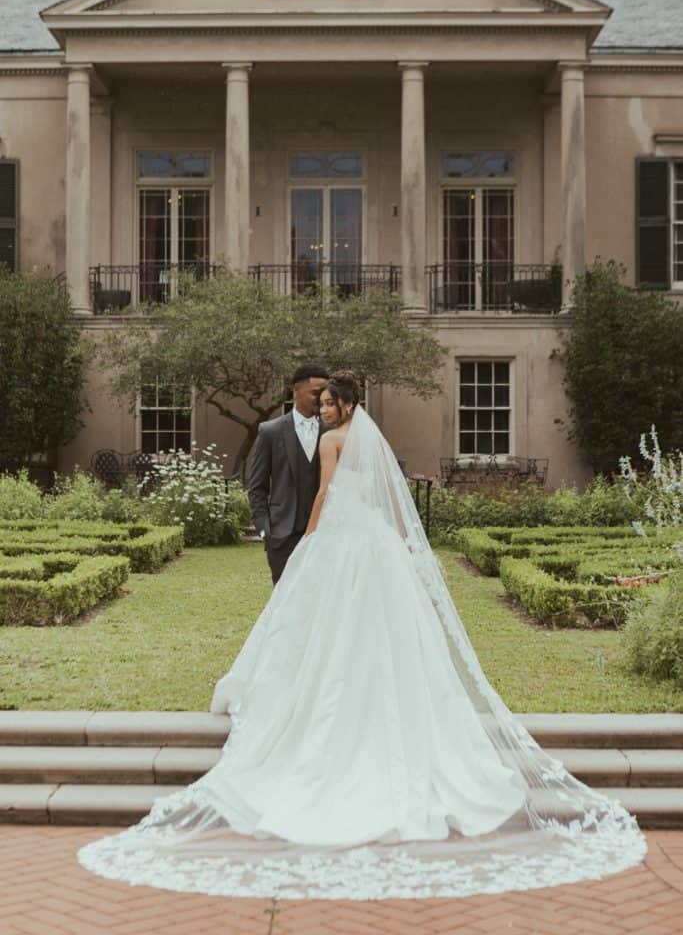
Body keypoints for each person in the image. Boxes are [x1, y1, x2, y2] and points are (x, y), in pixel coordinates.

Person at [77, 370, 647, 900]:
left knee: (329, 627)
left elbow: (323, 495)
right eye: (319, 400)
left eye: (330, 402)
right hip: (376, 544)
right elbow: (392, 506)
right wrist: (405, 547)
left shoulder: (332, 441)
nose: (323, 408)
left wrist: (313, 542)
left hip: (341, 542)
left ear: (346, 404)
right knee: (386, 630)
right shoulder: (372, 441)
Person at [248, 363, 329, 584]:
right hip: (282, 535)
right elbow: (256, 486)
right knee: (284, 603)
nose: (321, 398)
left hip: (325, 534)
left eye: (324, 393)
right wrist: (265, 529)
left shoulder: (331, 432)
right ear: (296, 390)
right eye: (315, 392)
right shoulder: (270, 431)